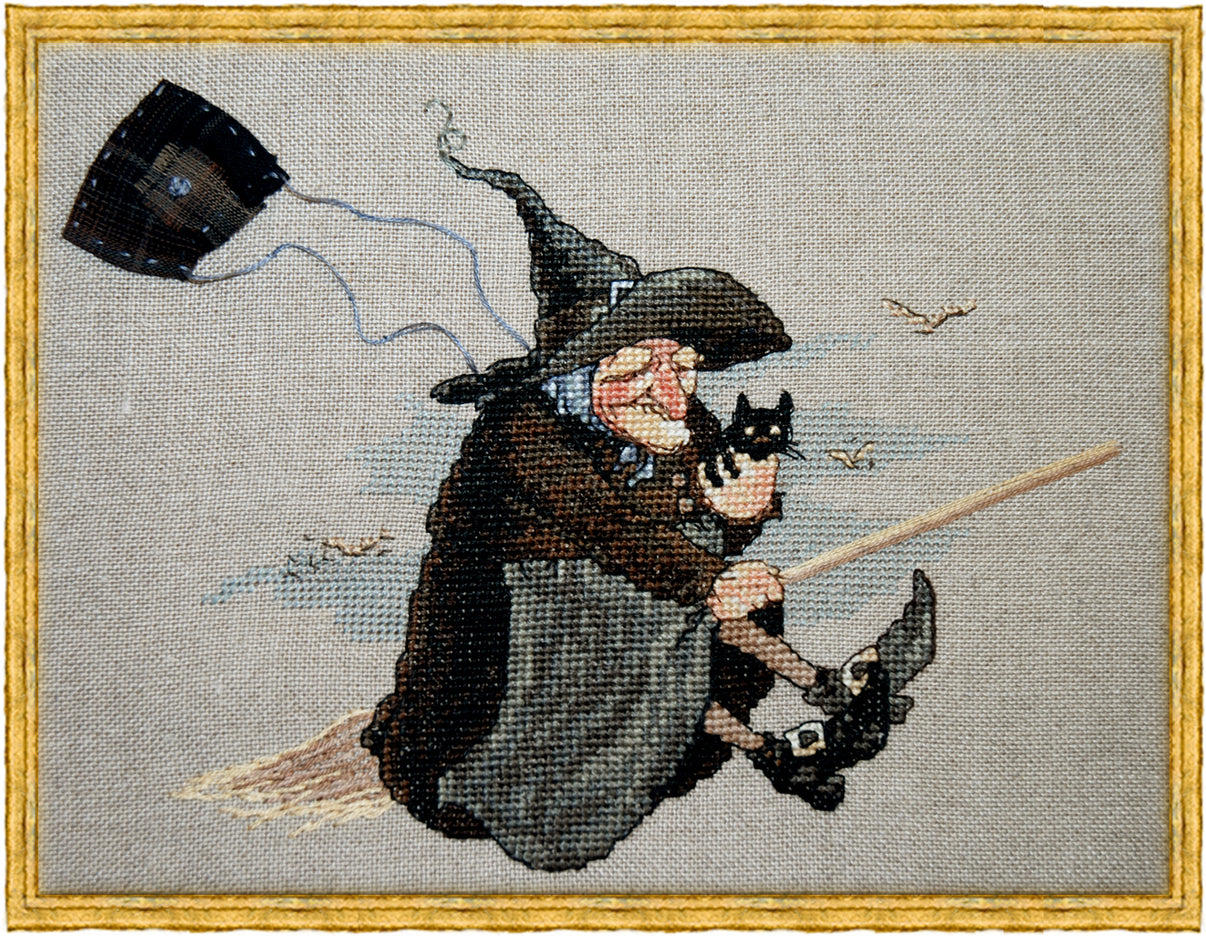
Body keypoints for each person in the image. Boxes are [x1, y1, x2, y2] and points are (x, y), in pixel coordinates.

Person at [361, 143, 934, 872]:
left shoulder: (679, 420)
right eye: (637, 369)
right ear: (578, 374)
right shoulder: (520, 432)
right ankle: (803, 709)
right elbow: (607, 524)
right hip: (506, 691)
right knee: (654, 608)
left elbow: (703, 517)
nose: (672, 394)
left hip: (631, 643)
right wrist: (707, 573)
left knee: (711, 595)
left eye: (684, 368)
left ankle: (803, 719)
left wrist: (739, 511)